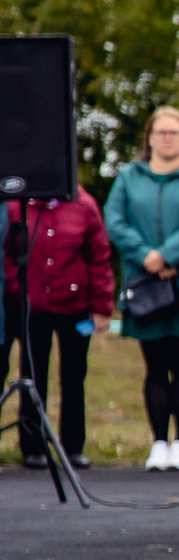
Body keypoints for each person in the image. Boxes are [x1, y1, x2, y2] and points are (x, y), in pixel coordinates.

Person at [103, 107, 179, 471]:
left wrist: (169, 254)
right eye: (161, 132)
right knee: (153, 365)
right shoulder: (128, 176)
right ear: (149, 137)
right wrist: (147, 257)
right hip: (145, 285)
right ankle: (157, 442)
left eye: (175, 132)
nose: (167, 138)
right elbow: (116, 220)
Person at [4, 178, 112, 468]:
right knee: (32, 375)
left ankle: (73, 447)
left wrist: (101, 306)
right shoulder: (18, 206)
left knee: (74, 376)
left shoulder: (84, 206)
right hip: (32, 307)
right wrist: (18, 287)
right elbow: (8, 254)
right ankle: (33, 446)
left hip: (74, 308)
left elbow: (99, 257)